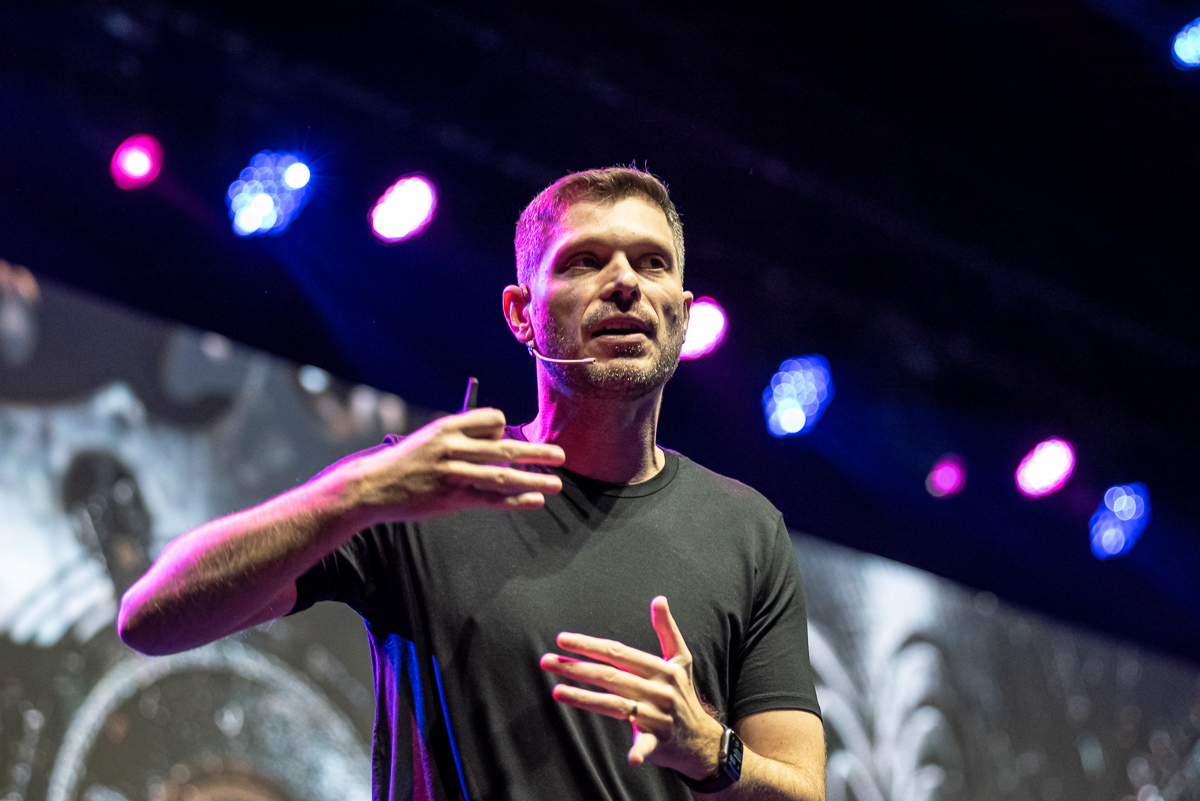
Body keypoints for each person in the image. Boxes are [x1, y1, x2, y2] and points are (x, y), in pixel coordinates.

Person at [118, 167, 826, 800]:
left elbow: (802, 791)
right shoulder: (418, 487)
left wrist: (714, 755)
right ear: (522, 313)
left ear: (682, 311)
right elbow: (151, 617)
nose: (625, 282)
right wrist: (361, 490)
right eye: (584, 260)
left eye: (652, 262)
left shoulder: (746, 529)